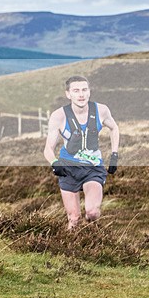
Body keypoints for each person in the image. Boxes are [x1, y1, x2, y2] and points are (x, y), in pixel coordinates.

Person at [44, 76, 119, 229]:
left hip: (93, 168)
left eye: (84, 90)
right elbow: (48, 149)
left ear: (89, 92)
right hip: (68, 169)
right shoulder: (59, 116)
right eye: (76, 90)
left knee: (92, 213)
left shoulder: (101, 110)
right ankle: (71, 250)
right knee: (74, 219)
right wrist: (54, 163)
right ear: (68, 94)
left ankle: (93, 238)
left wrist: (114, 155)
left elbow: (114, 128)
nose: (81, 94)